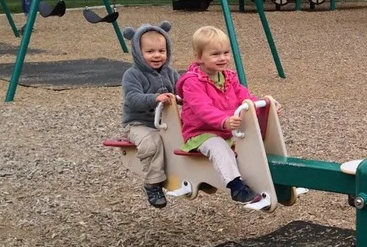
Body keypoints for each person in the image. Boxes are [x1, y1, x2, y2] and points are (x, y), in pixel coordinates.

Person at [176, 25, 280, 205]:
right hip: (201, 133)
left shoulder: (228, 77)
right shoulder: (192, 82)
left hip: (227, 130)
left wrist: (265, 106)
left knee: (254, 140)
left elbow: (245, 97)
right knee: (218, 147)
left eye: (226, 53)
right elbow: (202, 108)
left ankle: (274, 179)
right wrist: (223, 120)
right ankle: (236, 187)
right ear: (199, 57)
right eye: (215, 54)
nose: (223, 58)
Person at [120, 22, 180, 209]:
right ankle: (153, 184)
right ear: (138, 52)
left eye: (161, 51)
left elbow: (182, 93)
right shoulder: (133, 75)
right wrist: (155, 98)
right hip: (140, 123)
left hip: (166, 122)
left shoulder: (171, 73)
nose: (157, 56)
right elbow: (132, 98)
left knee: (189, 136)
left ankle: (185, 175)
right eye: (150, 51)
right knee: (152, 143)